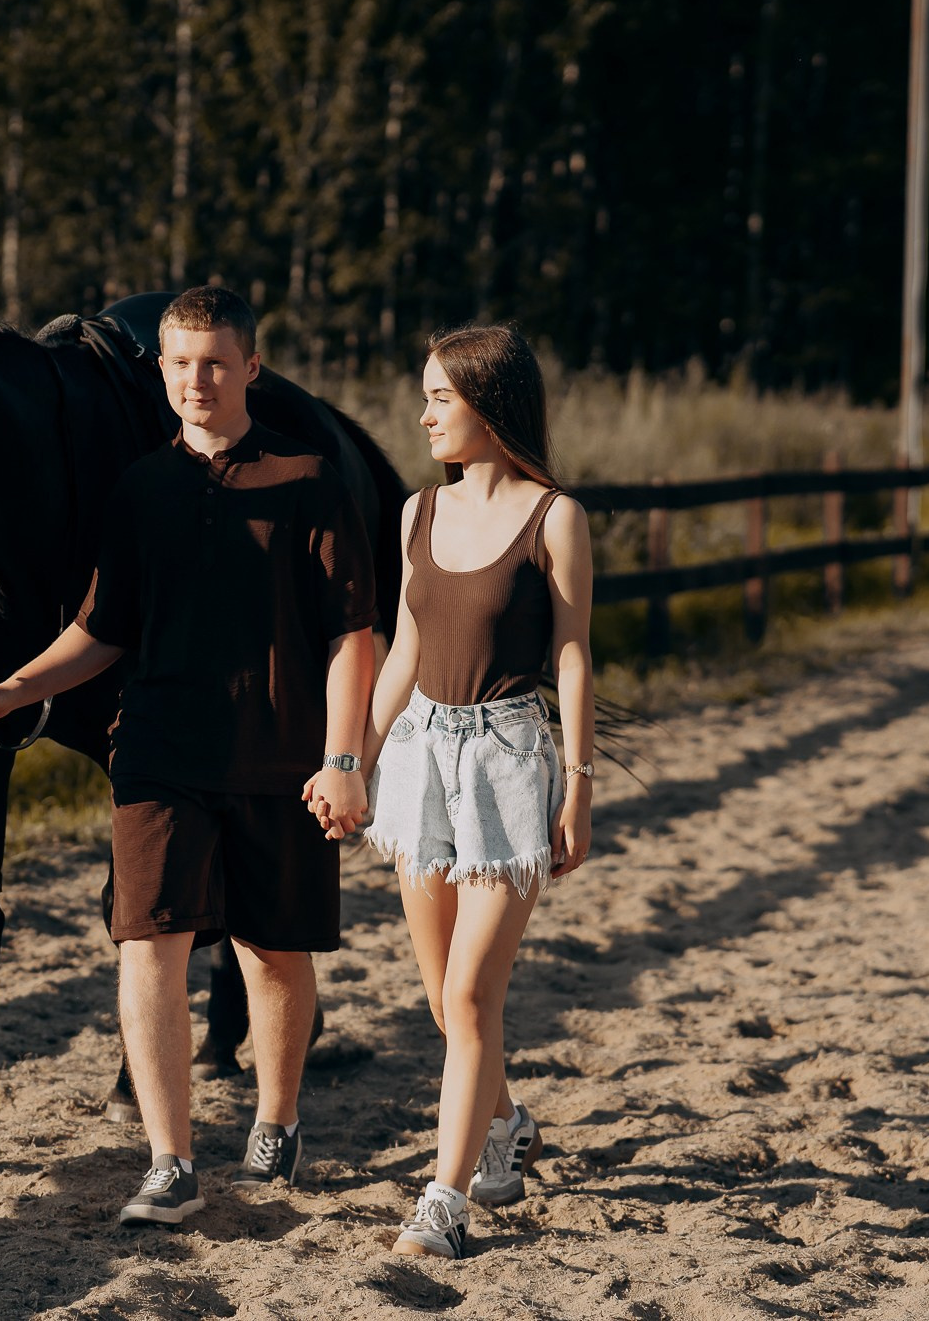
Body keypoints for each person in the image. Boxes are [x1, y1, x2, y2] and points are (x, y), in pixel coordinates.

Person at [0, 286, 378, 1227]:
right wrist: (17, 689)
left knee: (273, 952)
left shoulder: (311, 479)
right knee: (147, 945)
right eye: (180, 364)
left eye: (216, 362)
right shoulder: (141, 488)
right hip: (158, 752)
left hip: (279, 755)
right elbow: (102, 628)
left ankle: (276, 1120)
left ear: (251, 368)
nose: (197, 381)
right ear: (163, 371)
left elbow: (353, 635)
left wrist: (345, 757)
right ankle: (170, 1158)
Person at [355, 323, 595, 1260]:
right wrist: (354, 761)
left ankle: (443, 1204)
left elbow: (573, 656)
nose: (423, 416)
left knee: (469, 994)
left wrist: (578, 787)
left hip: (507, 763)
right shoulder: (417, 514)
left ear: (491, 407)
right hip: (422, 757)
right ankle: (506, 1127)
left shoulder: (556, 517)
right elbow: (404, 653)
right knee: (442, 999)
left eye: (440, 399)